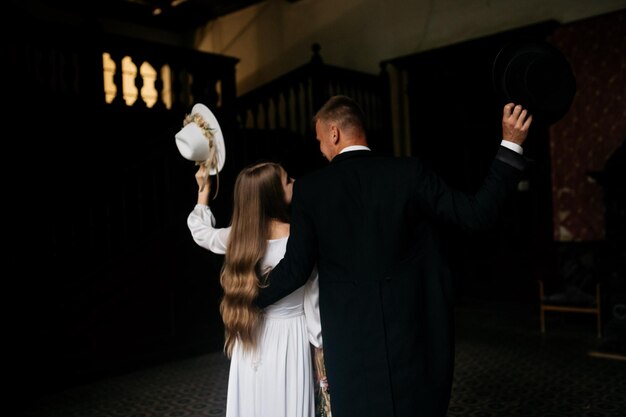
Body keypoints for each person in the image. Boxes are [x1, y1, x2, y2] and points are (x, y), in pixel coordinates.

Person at [255, 95, 533, 417]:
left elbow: (295, 270)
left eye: (319, 141)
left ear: (334, 134)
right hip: (412, 340)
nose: (320, 149)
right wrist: (510, 145)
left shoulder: (311, 190)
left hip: (350, 349)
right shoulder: (409, 172)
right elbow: (476, 214)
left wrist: (248, 297)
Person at [186, 161, 330, 417]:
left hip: (250, 337)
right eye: (287, 180)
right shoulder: (300, 239)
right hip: (290, 339)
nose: (294, 181)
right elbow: (313, 299)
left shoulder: (239, 238)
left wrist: (203, 192)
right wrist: (319, 348)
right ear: (272, 195)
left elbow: (201, 233)